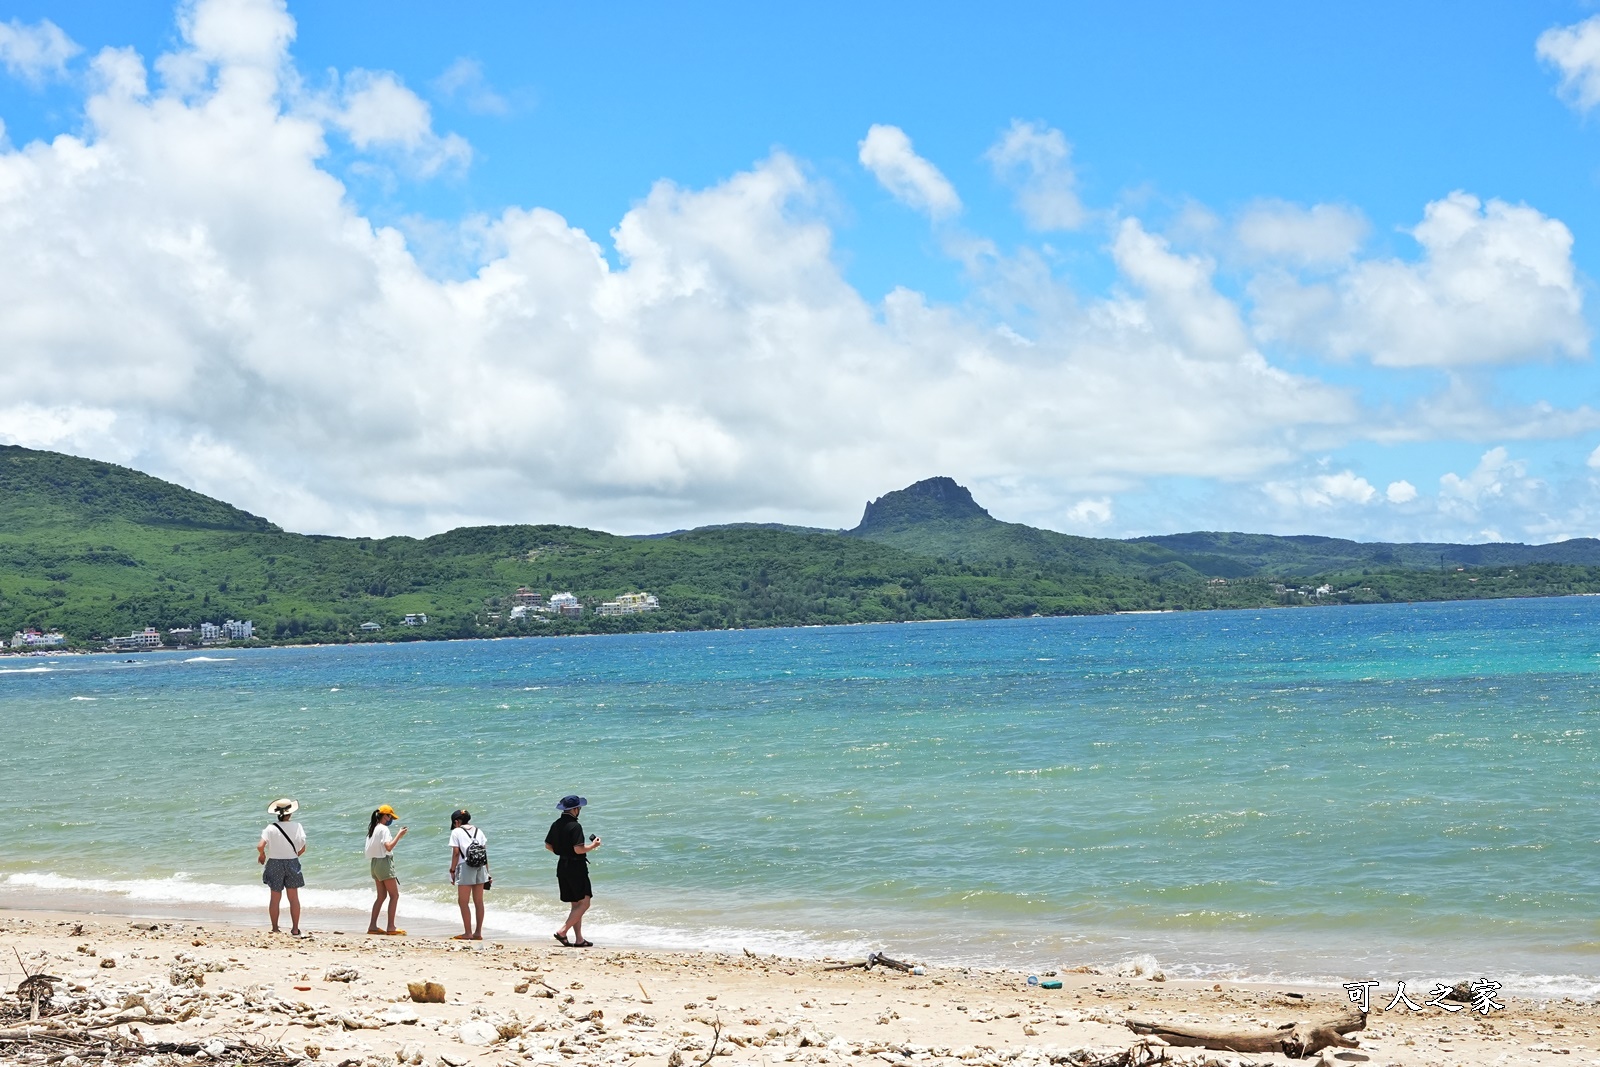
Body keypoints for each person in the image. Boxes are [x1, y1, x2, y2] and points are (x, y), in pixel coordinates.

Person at [544, 794, 600, 947]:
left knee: (576, 904)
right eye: (579, 807)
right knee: (585, 902)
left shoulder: (556, 824)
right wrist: (593, 846)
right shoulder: (575, 826)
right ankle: (562, 931)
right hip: (576, 867)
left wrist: (562, 852)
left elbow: (548, 845)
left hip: (562, 866)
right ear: (575, 809)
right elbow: (579, 849)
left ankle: (579, 939)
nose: (580, 810)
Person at [257, 798, 307, 936]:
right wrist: (292, 856)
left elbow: (260, 846)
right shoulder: (297, 826)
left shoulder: (271, 828)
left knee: (275, 898)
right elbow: (302, 848)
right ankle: (295, 928)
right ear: (290, 813)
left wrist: (262, 855)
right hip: (292, 862)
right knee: (293, 898)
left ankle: (275, 928)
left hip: (274, 863)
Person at [365, 805, 408, 935]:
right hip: (384, 862)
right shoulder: (383, 829)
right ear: (385, 816)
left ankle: (372, 926)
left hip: (374, 864)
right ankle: (391, 927)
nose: (391, 820)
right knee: (394, 896)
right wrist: (399, 835)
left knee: (381, 896)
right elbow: (388, 847)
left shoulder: (373, 829)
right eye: (390, 817)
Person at [448, 808, 490, 940]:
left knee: (463, 901)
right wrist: (488, 874)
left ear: (457, 822)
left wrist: (452, 870)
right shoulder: (479, 831)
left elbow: (456, 853)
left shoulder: (456, 832)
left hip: (465, 866)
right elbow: (484, 853)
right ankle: (478, 933)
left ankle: (468, 933)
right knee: (479, 902)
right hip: (481, 866)